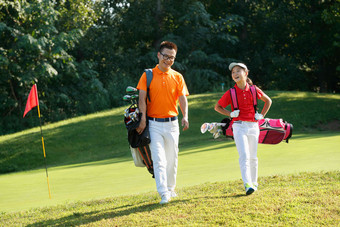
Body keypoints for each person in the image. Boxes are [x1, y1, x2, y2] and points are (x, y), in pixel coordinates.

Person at [136, 41, 189, 204]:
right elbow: (141, 98)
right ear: (159, 55)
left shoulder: (178, 76)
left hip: (172, 123)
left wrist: (185, 116)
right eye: (165, 56)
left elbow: (182, 99)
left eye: (171, 57)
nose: (168, 60)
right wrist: (143, 118)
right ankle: (163, 192)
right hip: (154, 124)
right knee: (159, 159)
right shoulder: (147, 75)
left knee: (172, 158)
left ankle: (171, 188)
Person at [214, 62, 272, 195]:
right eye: (233, 72)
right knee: (244, 156)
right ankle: (247, 184)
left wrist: (261, 115)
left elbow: (268, 101)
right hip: (239, 126)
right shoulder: (231, 92)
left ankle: (254, 182)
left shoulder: (254, 89)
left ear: (246, 73)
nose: (235, 74)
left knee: (253, 157)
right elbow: (217, 107)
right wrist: (230, 114)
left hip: (253, 126)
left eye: (238, 71)